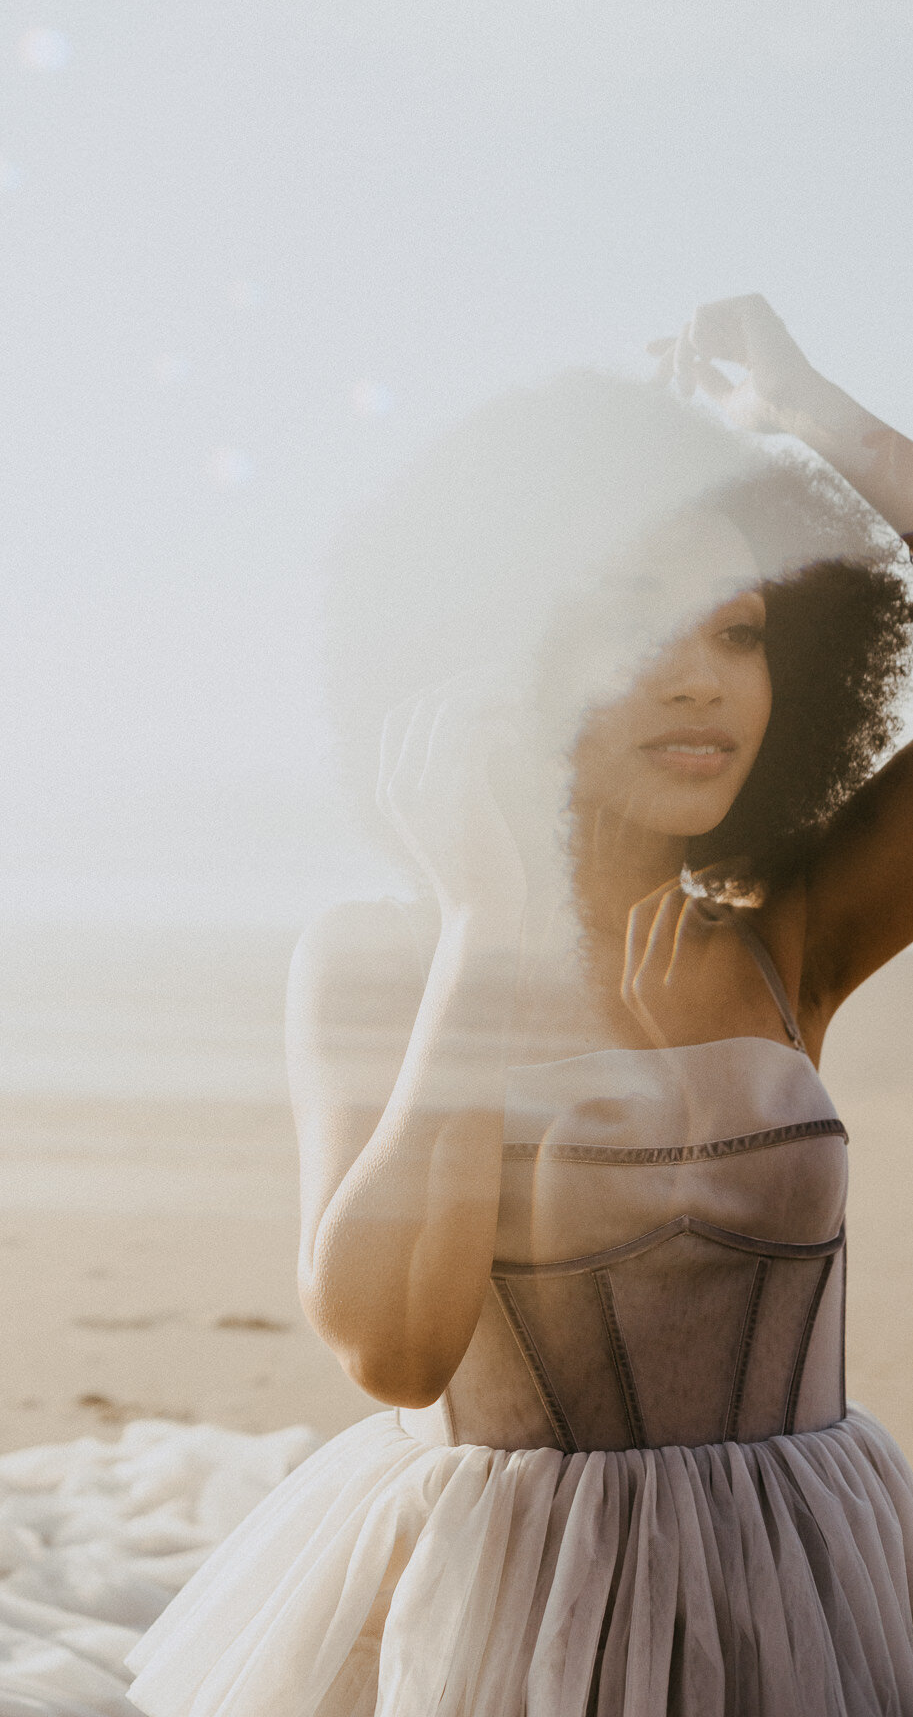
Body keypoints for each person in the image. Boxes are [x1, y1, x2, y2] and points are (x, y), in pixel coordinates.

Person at [125, 296, 913, 1716]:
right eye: (633, 619)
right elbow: (392, 1350)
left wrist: (812, 425)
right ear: (494, 646)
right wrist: (487, 928)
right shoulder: (382, 958)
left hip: (810, 1585)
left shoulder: (787, 936)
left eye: (737, 628)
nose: (697, 674)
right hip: (517, 1616)